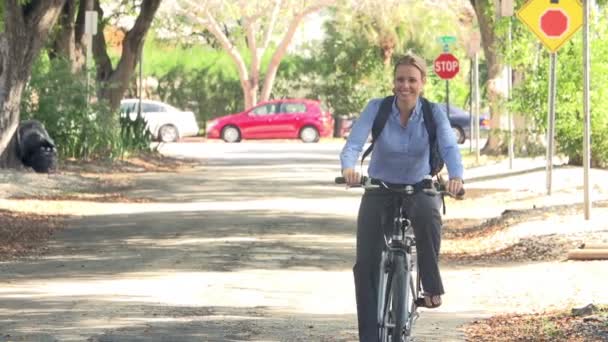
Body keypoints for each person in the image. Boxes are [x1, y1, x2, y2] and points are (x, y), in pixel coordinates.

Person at [339, 53, 464, 342]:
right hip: (379, 187)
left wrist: (456, 177)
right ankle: (369, 336)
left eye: (411, 80)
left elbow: (449, 147)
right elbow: (354, 143)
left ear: (422, 83)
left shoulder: (433, 113)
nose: (405, 85)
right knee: (366, 262)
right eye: (400, 79)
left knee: (429, 215)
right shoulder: (377, 108)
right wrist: (348, 168)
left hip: (418, 187)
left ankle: (430, 288)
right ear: (393, 82)